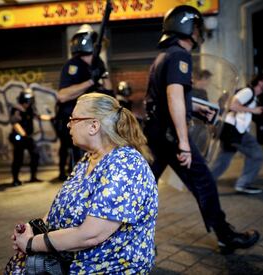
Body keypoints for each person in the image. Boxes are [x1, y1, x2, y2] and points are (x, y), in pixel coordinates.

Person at [143, 5, 260, 254]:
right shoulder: (179, 55)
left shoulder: (164, 56)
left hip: (156, 134)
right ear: (186, 27)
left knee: (142, 188)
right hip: (171, 136)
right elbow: (174, 94)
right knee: (204, 181)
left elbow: (167, 97)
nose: (199, 33)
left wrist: (195, 108)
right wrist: (183, 142)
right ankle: (225, 236)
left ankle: (118, 237)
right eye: (197, 27)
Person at [10, 93, 158, 273]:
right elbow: (62, 204)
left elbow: (91, 235)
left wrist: (32, 244)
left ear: (93, 126)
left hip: (107, 267)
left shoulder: (124, 165)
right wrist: (33, 229)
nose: (68, 124)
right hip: (71, 259)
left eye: (73, 119)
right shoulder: (88, 159)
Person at [55, 24, 114, 181]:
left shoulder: (97, 63)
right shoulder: (73, 65)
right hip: (73, 120)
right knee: (78, 159)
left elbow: (109, 92)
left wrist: (103, 73)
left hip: (92, 122)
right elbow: (62, 96)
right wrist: (90, 81)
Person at [210, 72, 263, 194]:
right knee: (256, 153)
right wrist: (253, 110)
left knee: (223, 160)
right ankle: (243, 184)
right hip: (232, 130)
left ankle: (203, 183)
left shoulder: (253, 96)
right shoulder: (248, 92)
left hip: (229, 130)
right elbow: (232, 105)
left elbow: (256, 109)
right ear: (260, 82)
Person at [9, 89, 41, 185]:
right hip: (19, 137)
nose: (30, 103)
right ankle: (15, 180)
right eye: (29, 101)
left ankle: (33, 177)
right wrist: (23, 134)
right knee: (18, 158)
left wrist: (51, 118)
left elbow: (38, 116)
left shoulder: (30, 109)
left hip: (28, 137)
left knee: (35, 154)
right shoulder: (17, 109)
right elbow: (15, 123)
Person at [189, 69, 213, 153]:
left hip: (202, 124)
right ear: (204, 79)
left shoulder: (203, 91)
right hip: (192, 124)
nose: (208, 83)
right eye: (208, 80)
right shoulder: (190, 90)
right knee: (193, 149)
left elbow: (207, 107)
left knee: (201, 150)